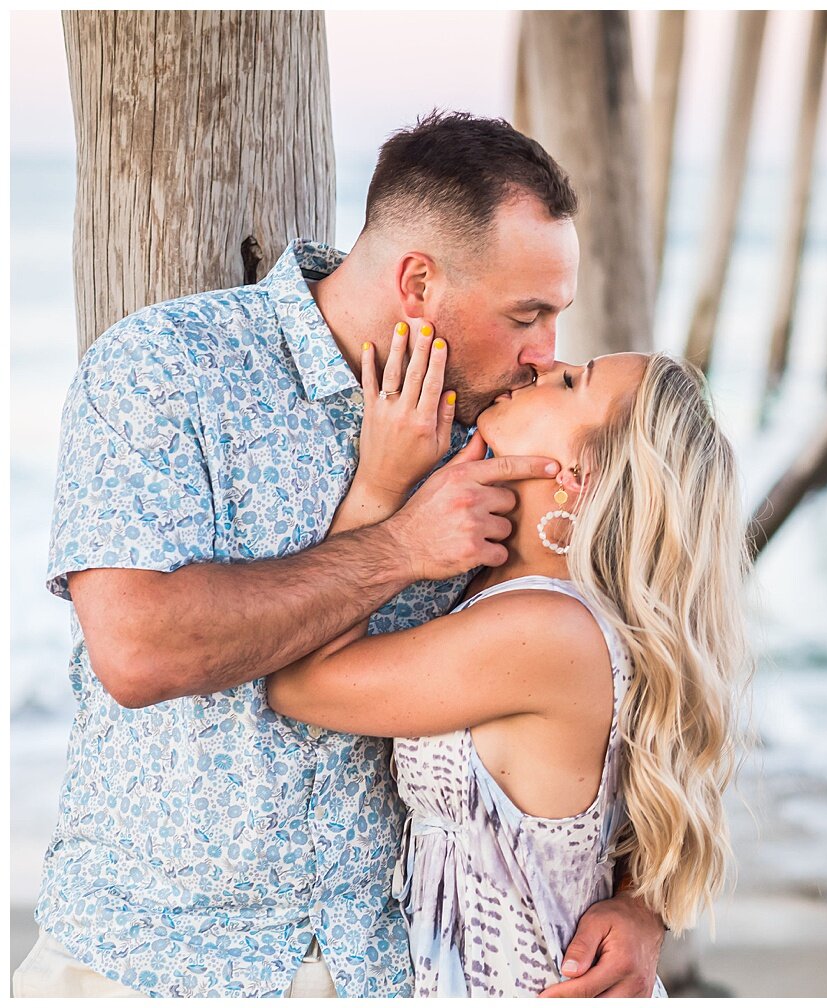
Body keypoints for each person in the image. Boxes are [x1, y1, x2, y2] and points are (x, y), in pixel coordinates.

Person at [15, 112, 665, 998]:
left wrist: (643, 895)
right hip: (146, 965)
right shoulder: (166, 370)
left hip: (384, 972)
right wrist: (396, 545)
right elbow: (138, 651)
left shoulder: (508, 431)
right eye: (527, 314)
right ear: (419, 282)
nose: (545, 353)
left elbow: (650, 662)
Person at [266, 348, 747, 996]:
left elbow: (299, 683)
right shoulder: (521, 591)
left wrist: (380, 485)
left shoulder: (545, 632)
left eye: (573, 382)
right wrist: (639, 902)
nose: (544, 364)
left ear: (583, 473)